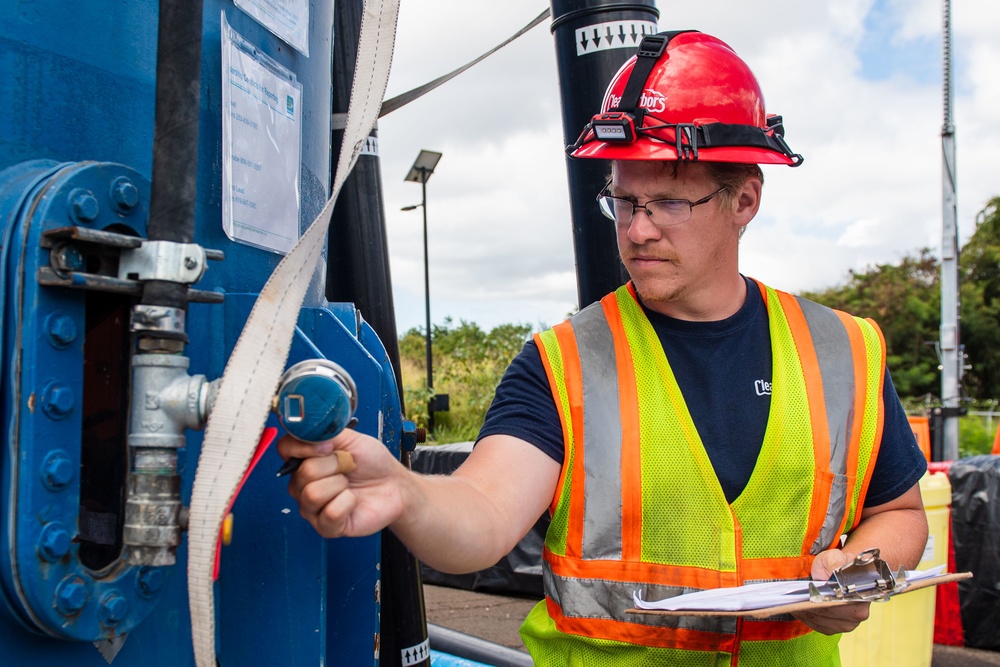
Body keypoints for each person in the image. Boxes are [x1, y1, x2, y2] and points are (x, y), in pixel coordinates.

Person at [279, 30, 929, 666]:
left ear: (745, 200)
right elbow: (483, 510)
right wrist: (407, 492)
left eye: (668, 202)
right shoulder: (563, 363)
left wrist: (860, 571)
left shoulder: (843, 349)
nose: (637, 230)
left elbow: (899, 513)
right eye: (623, 201)